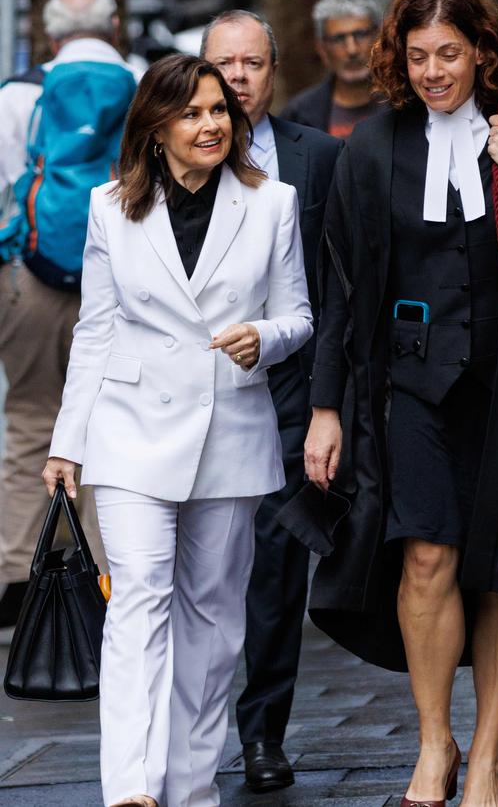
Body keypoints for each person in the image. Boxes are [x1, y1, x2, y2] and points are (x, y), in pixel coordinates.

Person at [298, 0, 498, 807]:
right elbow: (340, 288)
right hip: (410, 383)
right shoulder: (372, 149)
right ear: (398, 60)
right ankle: (434, 742)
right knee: (427, 556)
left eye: (449, 52)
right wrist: (326, 406)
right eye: (418, 56)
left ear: (481, 49)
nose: (435, 70)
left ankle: (487, 758)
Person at [42, 53, 312, 807]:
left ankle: (189, 785)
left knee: (215, 620)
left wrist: (266, 334)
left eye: (219, 110)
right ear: (156, 127)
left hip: (230, 430)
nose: (209, 124)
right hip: (129, 435)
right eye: (191, 112)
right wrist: (68, 441)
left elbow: (300, 315)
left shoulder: (273, 203)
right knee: (137, 600)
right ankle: (130, 787)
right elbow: (93, 331)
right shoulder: (109, 207)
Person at [201, 9, 342, 792]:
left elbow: (335, 286)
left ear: (274, 68)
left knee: (276, 577)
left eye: (254, 63)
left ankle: (262, 734)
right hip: (197, 398)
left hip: (290, 397)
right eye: (226, 63)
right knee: (201, 576)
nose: (241, 77)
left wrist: (330, 403)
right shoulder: (174, 157)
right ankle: (186, 728)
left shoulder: (315, 158)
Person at [0, 0, 134, 626]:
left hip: (31, 277)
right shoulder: (142, 80)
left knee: (30, 420)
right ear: (116, 24)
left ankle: (19, 580)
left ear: (49, 34)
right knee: (110, 426)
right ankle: (106, 575)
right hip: (121, 278)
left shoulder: (20, 92)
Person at [280, 0, 385, 138]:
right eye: (338, 39)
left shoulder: (405, 103)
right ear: (322, 49)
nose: (352, 50)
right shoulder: (298, 116)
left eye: (360, 34)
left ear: (379, 39)